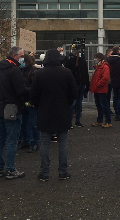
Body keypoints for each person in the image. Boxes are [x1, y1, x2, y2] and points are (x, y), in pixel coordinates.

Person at [29, 49, 77, 181]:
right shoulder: (66, 72)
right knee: (63, 141)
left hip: (45, 110)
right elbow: (73, 92)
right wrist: (67, 103)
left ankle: (44, 172)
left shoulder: (40, 73)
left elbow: (33, 94)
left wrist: (38, 105)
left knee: (44, 142)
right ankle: (63, 171)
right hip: (62, 110)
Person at [0, 46, 29, 180]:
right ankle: (10, 169)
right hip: (12, 107)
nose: (22, 59)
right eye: (21, 56)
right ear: (14, 56)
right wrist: (29, 93)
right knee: (11, 140)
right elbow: (19, 91)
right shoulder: (15, 71)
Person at [63, 46, 90, 128]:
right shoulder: (75, 61)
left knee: (75, 103)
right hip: (78, 84)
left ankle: (72, 121)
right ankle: (75, 121)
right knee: (76, 103)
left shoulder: (73, 61)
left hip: (77, 84)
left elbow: (85, 73)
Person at [20, 54, 40, 152]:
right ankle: (27, 141)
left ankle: (35, 142)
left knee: (33, 123)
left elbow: (35, 88)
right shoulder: (22, 70)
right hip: (23, 101)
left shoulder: (33, 72)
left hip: (31, 101)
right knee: (24, 123)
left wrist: (24, 90)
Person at [90, 53, 111, 128]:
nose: (95, 59)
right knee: (99, 105)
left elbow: (105, 78)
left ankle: (108, 121)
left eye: (96, 58)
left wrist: (98, 84)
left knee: (104, 105)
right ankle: (100, 120)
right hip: (98, 89)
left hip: (101, 89)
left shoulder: (104, 67)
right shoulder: (99, 67)